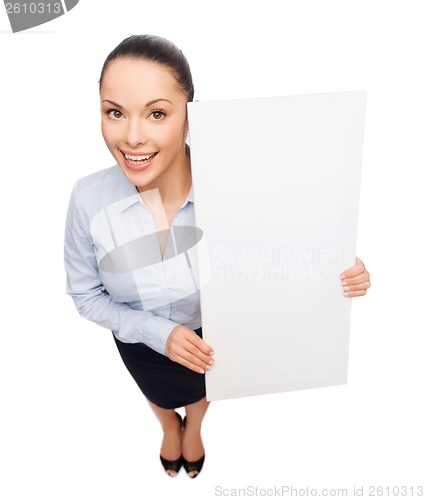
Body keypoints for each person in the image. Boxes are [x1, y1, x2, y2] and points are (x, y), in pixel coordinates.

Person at [64, 34, 371, 478]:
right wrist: (154, 332)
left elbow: (286, 247)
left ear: (189, 115)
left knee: (206, 388)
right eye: (115, 112)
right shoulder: (88, 199)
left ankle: (194, 429)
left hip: (219, 334)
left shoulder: (237, 180)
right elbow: (85, 294)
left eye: (156, 113)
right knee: (156, 389)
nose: (132, 137)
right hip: (138, 339)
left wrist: (338, 269)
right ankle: (170, 427)